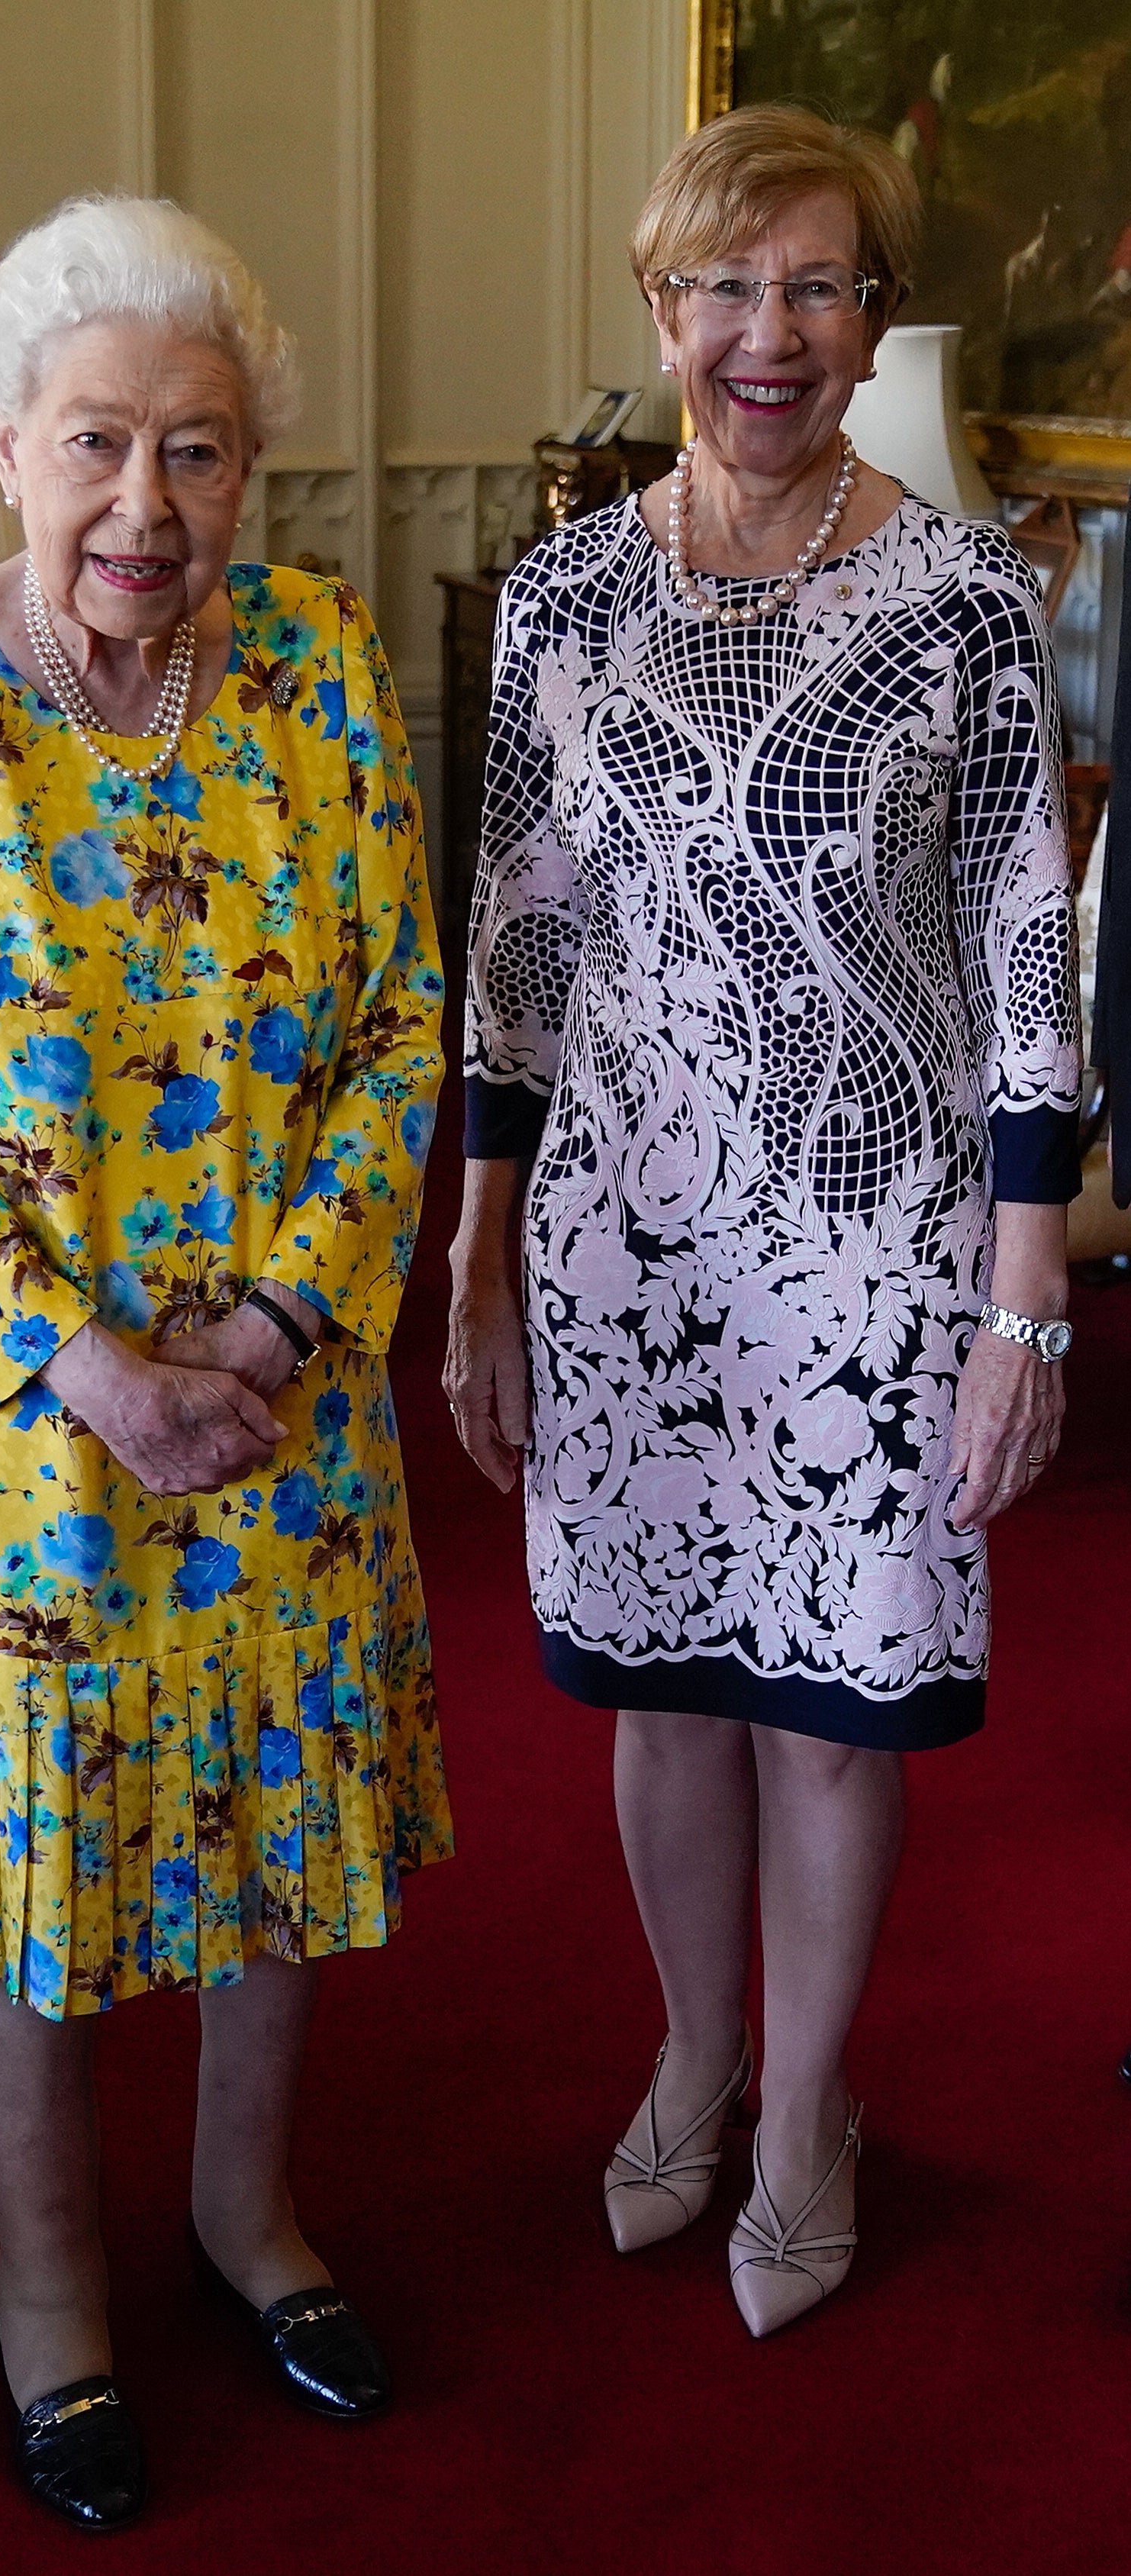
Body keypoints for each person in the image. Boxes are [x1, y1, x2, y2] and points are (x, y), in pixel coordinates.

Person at [0, 194, 450, 2529]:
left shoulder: (311, 658)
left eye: (200, 450)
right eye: (97, 445)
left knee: (275, 1831)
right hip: (26, 1432)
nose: (146, 508)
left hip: (280, 1395)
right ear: (2, 442)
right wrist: (93, 1370)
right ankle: (49, 2286)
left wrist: (271, 1327)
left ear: (254, 467)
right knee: (51, 1858)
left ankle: (245, 2221)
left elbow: (397, 1021)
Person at [446, 105, 1081, 2339]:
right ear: (656, 307)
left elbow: (1021, 950)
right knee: (663, 1694)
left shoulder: (959, 601)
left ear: (870, 318)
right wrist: (477, 1242)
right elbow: (514, 944)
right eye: (724, 287)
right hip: (623, 1232)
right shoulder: (560, 596)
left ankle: (803, 2108)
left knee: (827, 1705)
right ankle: (690, 2050)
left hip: (870, 1235)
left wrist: (1025, 1306)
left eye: (816, 288)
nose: (765, 334)